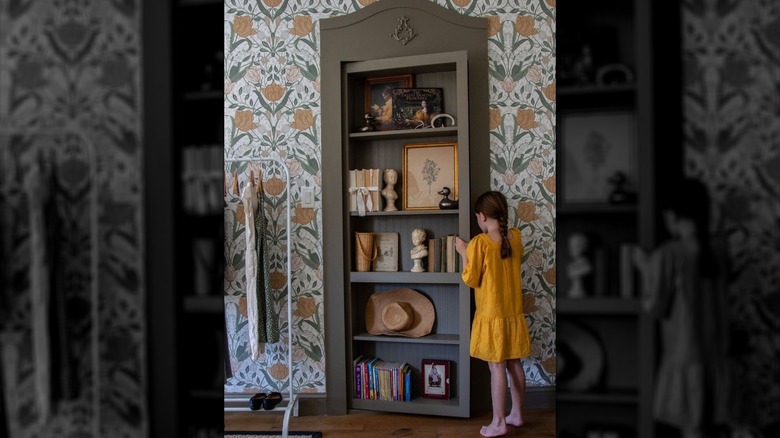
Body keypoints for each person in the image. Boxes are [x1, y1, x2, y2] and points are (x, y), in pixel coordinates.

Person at [632, 178, 729, 438]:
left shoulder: (670, 253)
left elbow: (655, 307)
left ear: (672, 214)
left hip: (685, 357)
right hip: (715, 355)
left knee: (692, 429)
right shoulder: (719, 249)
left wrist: (644, 267)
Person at [455, 191, 531, 437]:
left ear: (481, 216)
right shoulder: (515, 237)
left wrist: (464, 252)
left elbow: (471, 278)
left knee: (496, 368)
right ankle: (517, 413)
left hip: (493, 316)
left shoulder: (480, 243)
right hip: (512, 313)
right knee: (514, 363)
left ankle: (499, 422)